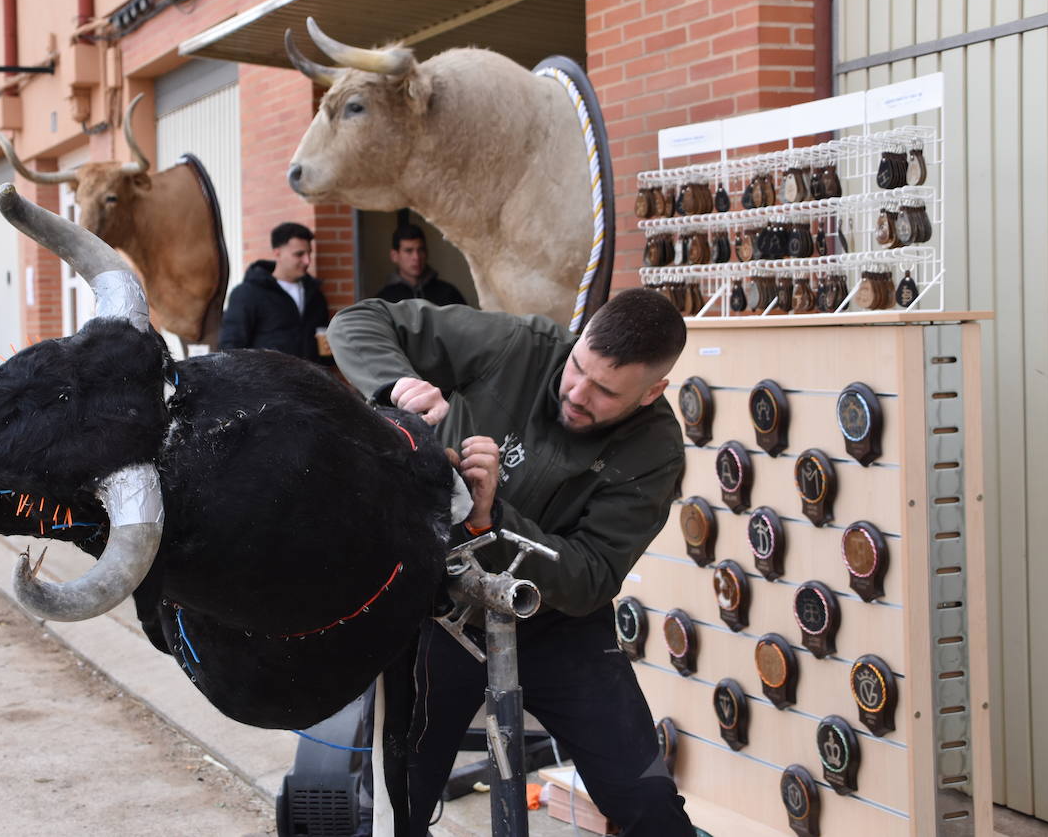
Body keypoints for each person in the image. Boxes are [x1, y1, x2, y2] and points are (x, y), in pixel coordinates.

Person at [328, 288, 693, 836]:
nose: (576, 393)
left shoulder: (656, 451)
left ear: (652, 392)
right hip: (442, 605)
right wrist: (395, 386)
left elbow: (590, 575)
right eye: (578, 369)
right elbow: (357, 321)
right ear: (578, 340)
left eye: (605, 392)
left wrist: (492, 516)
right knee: (398, 798)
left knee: (644, 799)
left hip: (555, 624)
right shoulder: (520, 345)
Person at [220, 222, 331, 361]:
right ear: (277, 253)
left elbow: (324, 350)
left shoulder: (315, 295)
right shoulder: (247, 293)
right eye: (299, 254)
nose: (307, 261)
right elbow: (231, 348)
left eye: (309, 253)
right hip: (264, 381)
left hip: (311, 380)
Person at [374, 222, 467, 307]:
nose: (416, 257)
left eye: (421, 250)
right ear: (395, 256)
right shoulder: (384, 301)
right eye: (409, 251)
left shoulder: (448, 293)